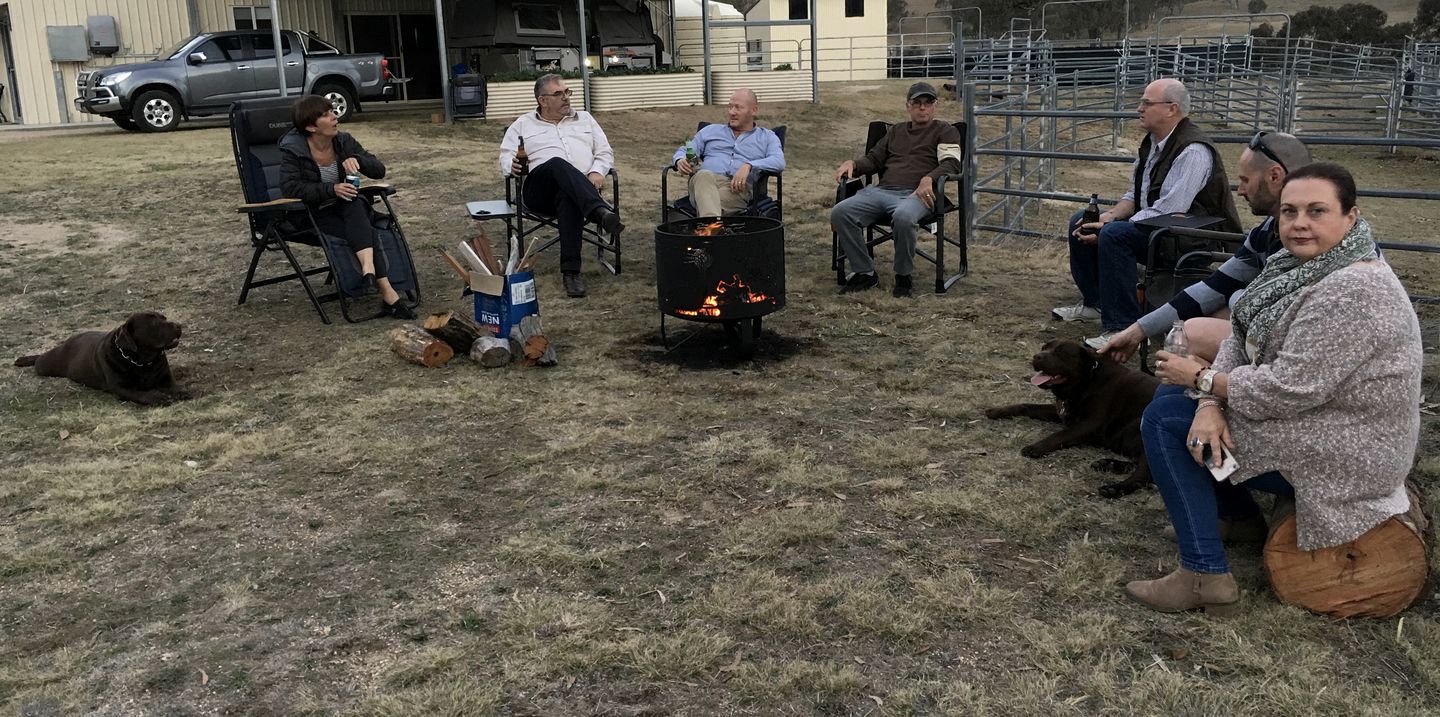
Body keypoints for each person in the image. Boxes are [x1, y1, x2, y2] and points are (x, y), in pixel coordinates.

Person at [1128, 163, 1420, 614]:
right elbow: (1241, 340)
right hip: (1322, 422)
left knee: (1167, 420)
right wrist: (1208, 401)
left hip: (1351, 448)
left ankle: (1204, 575)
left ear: (1352, 217)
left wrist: (1202, 380)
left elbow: (1288, 390)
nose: (1299, 222)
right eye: (1290, 211)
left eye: (1317, 211)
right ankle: (1239, 517)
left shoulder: (1355, 289)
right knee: (1171, 400)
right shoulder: (1299, 266)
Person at [1052, 78, 1242, 349]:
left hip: (1188, 236)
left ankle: (1121, 325)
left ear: (1171, 108)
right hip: (1160, 228)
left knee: (1115, 235)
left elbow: (1170, 208)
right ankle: (1094, 304)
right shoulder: (1154, 143)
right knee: (1083, 221)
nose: (1139, 108)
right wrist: (1108, 217)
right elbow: (1134, 194)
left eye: (1146, 103)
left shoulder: (1193, 150)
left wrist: (1112, 227)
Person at [1100, 132, 1313, 363]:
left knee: (1193, 333)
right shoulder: (1266, 232)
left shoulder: (1308, 241)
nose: (1240, 190)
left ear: (1274, 176)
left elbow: (1276, 313)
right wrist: (1137, 331)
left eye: (1245, 180)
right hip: (1266, 346)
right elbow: (1214, 287)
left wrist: (1234, 300)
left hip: (1293, 355)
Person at [279, 94, 414, 319]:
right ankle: (387, 291)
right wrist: (331, 189)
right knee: (366, 231)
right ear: (311, 127)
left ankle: (370, 272)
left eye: (332, 111)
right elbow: (290, 187)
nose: (334, 116)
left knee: (354, 204)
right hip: (317, 213)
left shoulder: (343, 141)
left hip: (350, 208)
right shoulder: (294, 150)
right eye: (326, 114)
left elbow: (379, 170)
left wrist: (358, 161)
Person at [831, 81, 964, 298]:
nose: (922, 107)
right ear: (908, 106)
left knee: (903, 216)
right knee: (841, 212)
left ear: (935, 106)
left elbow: (951, 163)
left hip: (917, 194)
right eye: (917, 103)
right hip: (882, 191)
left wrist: (929, 179)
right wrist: (853, 164)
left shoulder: (945, 131)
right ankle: (865, 272)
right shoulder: (895, 132)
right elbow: (874, 159)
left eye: (927, 103)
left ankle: (903, 276)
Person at [498, 74, 623, 298]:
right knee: (556, 163)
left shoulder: (585, 119)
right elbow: (506, 156)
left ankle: (571, 273)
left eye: (567, 92)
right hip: (538, 190)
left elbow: (604, 152)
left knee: (569, 196)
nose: (566, 98)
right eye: (558, 94)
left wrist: (597, 171)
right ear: (542, 100)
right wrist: (512, 165)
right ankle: (599, 212)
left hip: (577, 192)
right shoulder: (523, 123)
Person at [670, 88, 785, 217]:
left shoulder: (767, 137)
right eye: (730, 107)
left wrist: (749, 165)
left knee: (709, 201)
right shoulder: (710, 131)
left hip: (736, 189)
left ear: (754, 110)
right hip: (703, 183)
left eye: (738, 108)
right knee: (703, 175)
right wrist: (680, 159)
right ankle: (712, 226)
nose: (732, 112)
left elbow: (779, 161)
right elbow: (686, 150)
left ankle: (709, 225)